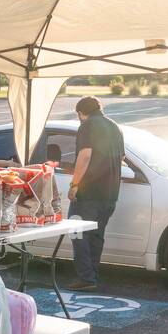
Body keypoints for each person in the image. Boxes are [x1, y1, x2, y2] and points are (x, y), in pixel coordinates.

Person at [66, 95, 125, 291]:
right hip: (110, 192)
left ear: (81, 113)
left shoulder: (88, 125)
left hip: (88, 191)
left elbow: (85, 155)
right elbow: (122, 157)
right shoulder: (114, 126)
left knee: (77, 232)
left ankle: (86, 278)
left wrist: (74, 184)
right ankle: (92, 275)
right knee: (97, 235)